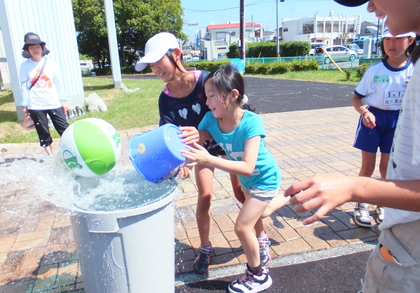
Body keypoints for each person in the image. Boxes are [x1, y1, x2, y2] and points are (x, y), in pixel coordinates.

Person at [285, 0, 420, 292]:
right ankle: (371, 205)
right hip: (400, 244)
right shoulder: (381, 69)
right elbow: (357, 98)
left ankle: (375, 202)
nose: (371, 7)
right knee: (372, 167)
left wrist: (354, 187)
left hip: (411, 255)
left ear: (409, 40)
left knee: (382, 169)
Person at [135, 32, 273, 275]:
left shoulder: (205, 82)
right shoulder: (165, 99)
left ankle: (260, 236)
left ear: (176, 55)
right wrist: (180, 162)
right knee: (205, 196)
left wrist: (233, 135)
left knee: (243, 194)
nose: (156, 69)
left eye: (159, 61)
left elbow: (232, 108)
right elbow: (169, 134)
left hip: (229, 144)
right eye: (151, 65)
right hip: (200, 152)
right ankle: (205, 247)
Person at [180, 64, 289, 293]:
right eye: (206, 97)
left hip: (265, 178)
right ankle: (291, 195)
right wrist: (188, 150)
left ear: (233, 95)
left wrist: (208, 159)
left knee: (241, 226)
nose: (207, 103)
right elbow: (199, 137)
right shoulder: (211, 119)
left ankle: (257, 275)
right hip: (249, 182)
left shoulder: (252, 122)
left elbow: (248, 167)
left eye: (211, 96)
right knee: (263, 213)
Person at [351, 28, 416, 227]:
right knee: (367, 167)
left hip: (400, 122)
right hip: (374, 120)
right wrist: (365, 112)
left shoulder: (415, 69)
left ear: (410, 40)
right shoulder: (374, 70)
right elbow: (356, 99)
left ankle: (383, 204)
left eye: (397, 38)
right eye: (387, 39)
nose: (391, 43)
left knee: (387, 168)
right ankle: (361, 205)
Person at [19, 32, 69, 155]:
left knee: (65, 129)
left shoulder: (51, 63)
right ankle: (50, 156)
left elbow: (58, 83)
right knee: (43, 132)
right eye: (31, 47)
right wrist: (24, 104)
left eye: (37, 46)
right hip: (35, 105)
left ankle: (72, 152)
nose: (35, 49)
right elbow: (24, 86)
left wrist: (63, 100)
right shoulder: (24, 66)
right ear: (27, 50)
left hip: (53, 102)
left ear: (42, 48)